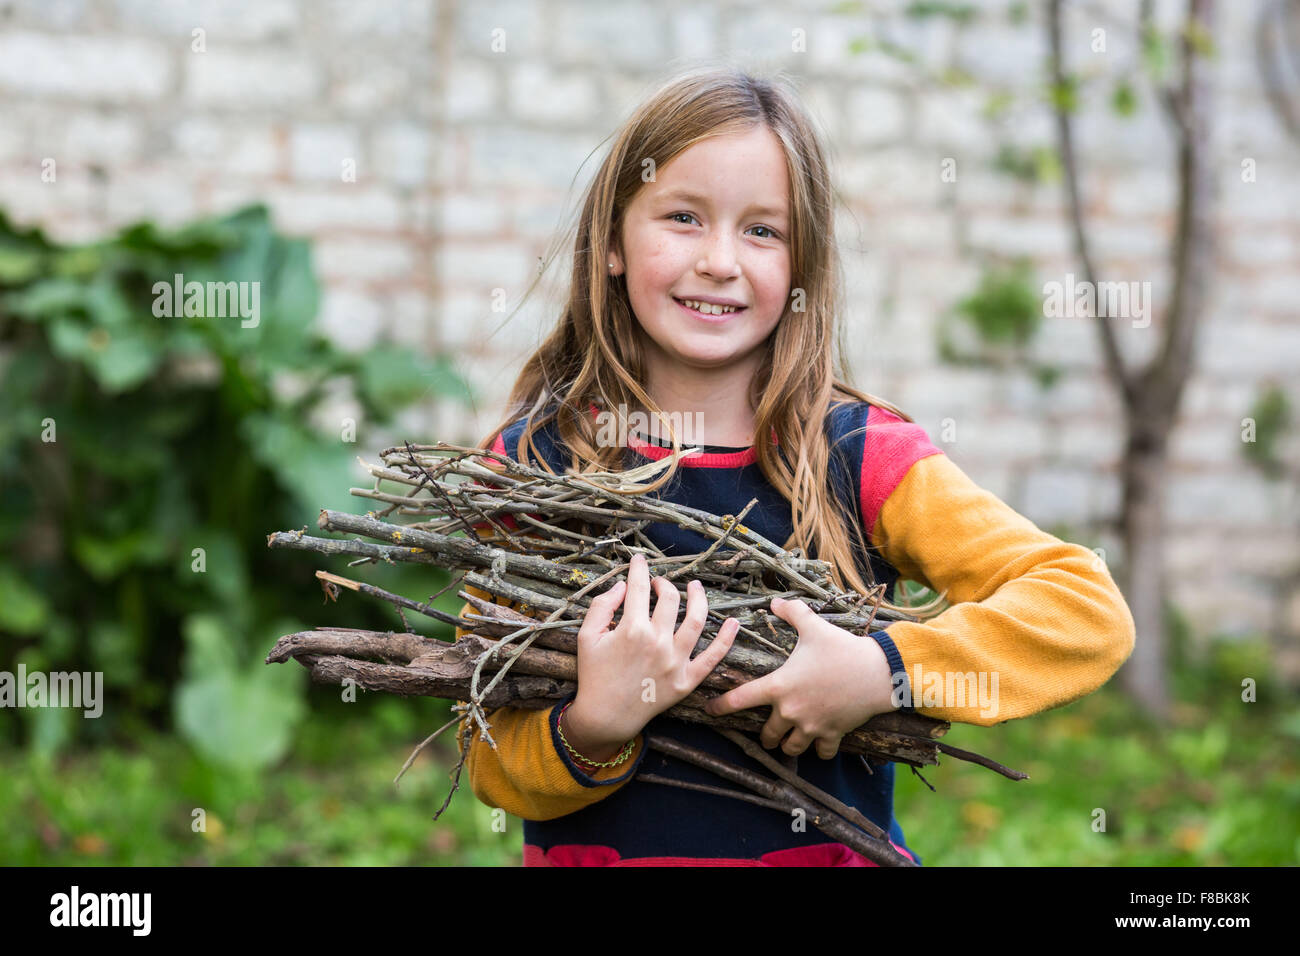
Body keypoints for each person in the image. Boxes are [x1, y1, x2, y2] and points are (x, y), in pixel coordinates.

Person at [452, 66, 1136, 867]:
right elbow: (491, 758)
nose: (718, 261)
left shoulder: (860, 456)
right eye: (682, 217)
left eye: (762, 231)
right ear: (610, 241)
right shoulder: (534, 467)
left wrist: (884, 673)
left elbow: (1085, 611)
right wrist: (594, 725)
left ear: (803, 266)